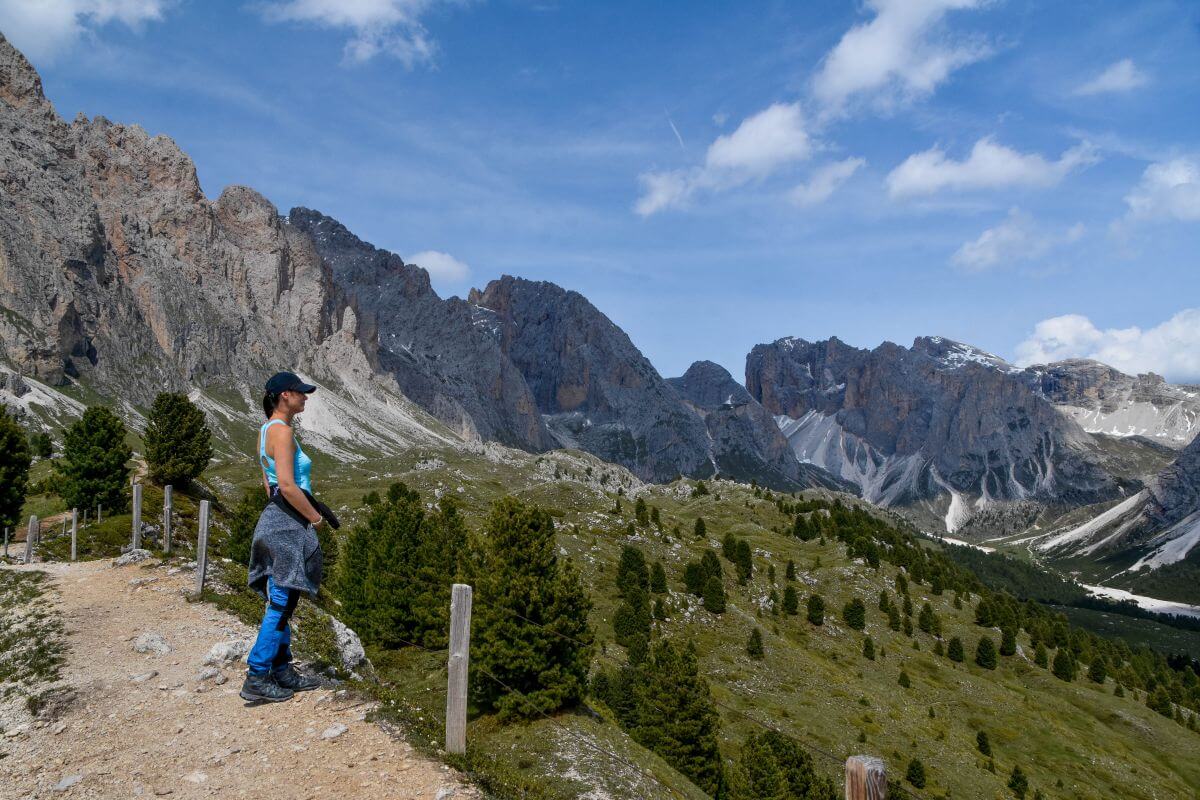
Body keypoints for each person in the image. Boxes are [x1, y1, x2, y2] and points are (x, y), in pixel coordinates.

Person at [240, 371, 325, 703]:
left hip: (273, 519)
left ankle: (282, 669)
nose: (305, 398)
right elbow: (288, 486)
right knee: (281, 601)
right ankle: (257, 674)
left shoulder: (264, 431)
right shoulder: (284, 432)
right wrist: (314, 517)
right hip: (288, 524)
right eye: (301, 393)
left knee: (282, 597)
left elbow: (269, 485)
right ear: (285, 396)